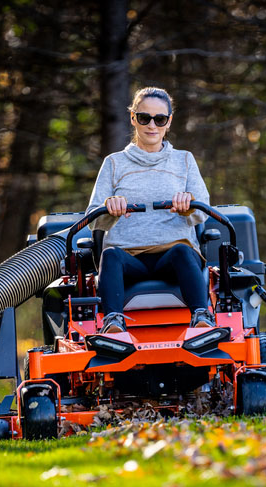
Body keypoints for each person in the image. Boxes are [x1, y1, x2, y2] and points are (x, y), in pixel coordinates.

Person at [86, 86, 216, 334]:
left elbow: (203, 212)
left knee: (184, 251)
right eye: (144, 118)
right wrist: (108, 208)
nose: (152, 125)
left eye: (160, 119)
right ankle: (113, 321)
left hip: (172, 256)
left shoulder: (184, 160)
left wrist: (188, 206)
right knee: (110, 255)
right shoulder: (114, 163)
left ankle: (201, 315)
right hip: (128, 257)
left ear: (169, 121)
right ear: (133, 118)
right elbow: (93, 221)